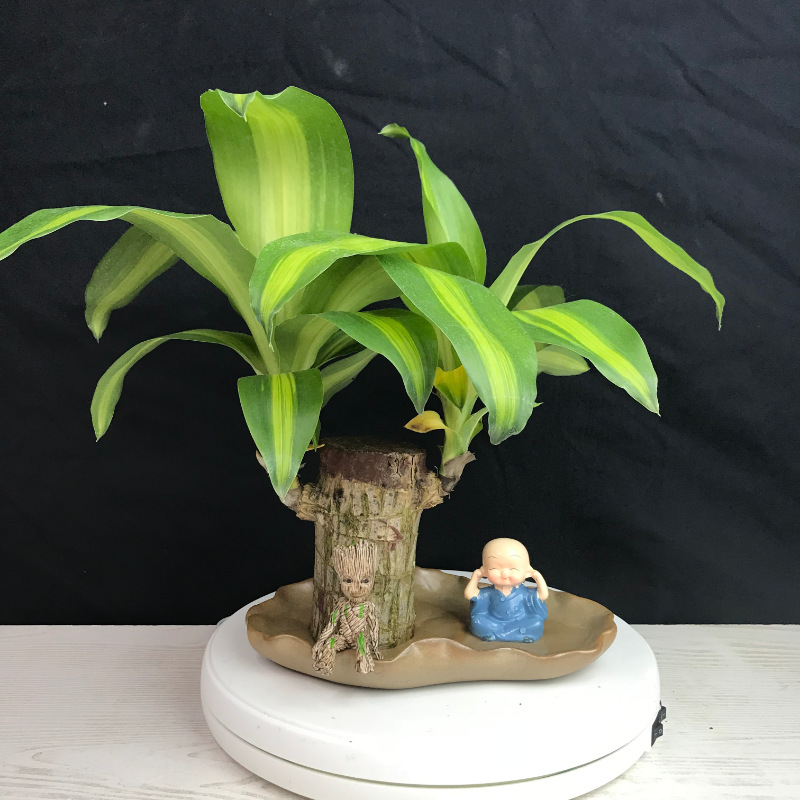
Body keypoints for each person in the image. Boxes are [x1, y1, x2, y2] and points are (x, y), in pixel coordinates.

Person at [463, 537, 549, 642]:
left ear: (526, 572)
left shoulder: (524, 594)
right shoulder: (488, 593)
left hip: (519, 622)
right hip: (493, 622)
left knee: (536, 623)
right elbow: (469, 594)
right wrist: (476, 576)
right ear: (485, 570)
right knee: (477, 621)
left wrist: (537, 576)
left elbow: (543, 595)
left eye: (513, 569)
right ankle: (492, 634)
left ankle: (507, 635)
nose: (504, 574)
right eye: (494, 568)